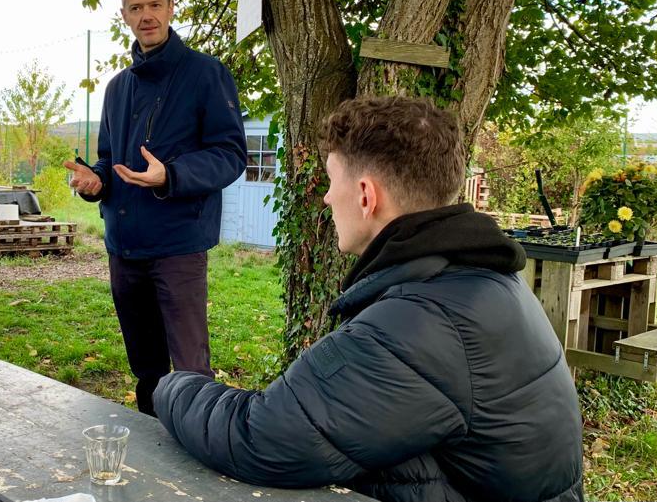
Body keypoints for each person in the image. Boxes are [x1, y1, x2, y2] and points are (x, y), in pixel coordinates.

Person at [153, 96, 584, 502]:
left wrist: (171, 384)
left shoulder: (421, 321)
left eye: (330, 182)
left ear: (365, 195)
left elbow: (260, 437)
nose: (325, 198)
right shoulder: (476, 277)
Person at [63, 0, 247, 416]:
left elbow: (229, 154)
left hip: (179, 245)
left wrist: (172, 175)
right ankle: (152, 457)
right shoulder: (117, 88)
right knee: (146, 370)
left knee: (189, 372)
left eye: (154, 4)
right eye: (136, 7)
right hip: (125, 248)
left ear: (170, 8)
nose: (146, 15)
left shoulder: (205, 74)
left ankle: (198, 459)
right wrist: (95, 181)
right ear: (124, 15)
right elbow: (109, 159)